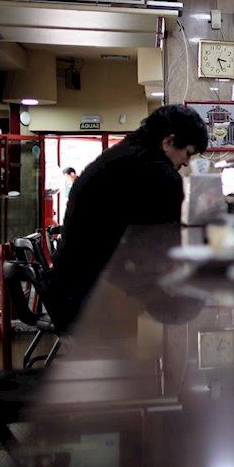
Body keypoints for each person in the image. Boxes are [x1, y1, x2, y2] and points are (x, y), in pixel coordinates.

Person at [50, 105, 207, 330]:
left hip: (73, 287)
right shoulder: (151, 168)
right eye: (188, 153)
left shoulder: (126, 155)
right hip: (88, 301)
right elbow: (191, 221)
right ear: (169, 141)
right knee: (189, 306)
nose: (186, 163)